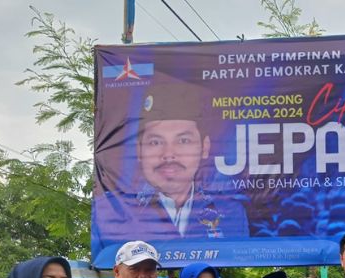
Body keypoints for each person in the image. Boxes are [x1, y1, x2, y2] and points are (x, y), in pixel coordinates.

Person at [92, 84, 249, 253]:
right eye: (155, 142)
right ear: (139, 150)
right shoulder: (109, 212)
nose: (168, 155)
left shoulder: (231, 214)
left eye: (183, 141)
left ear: (205, 147)